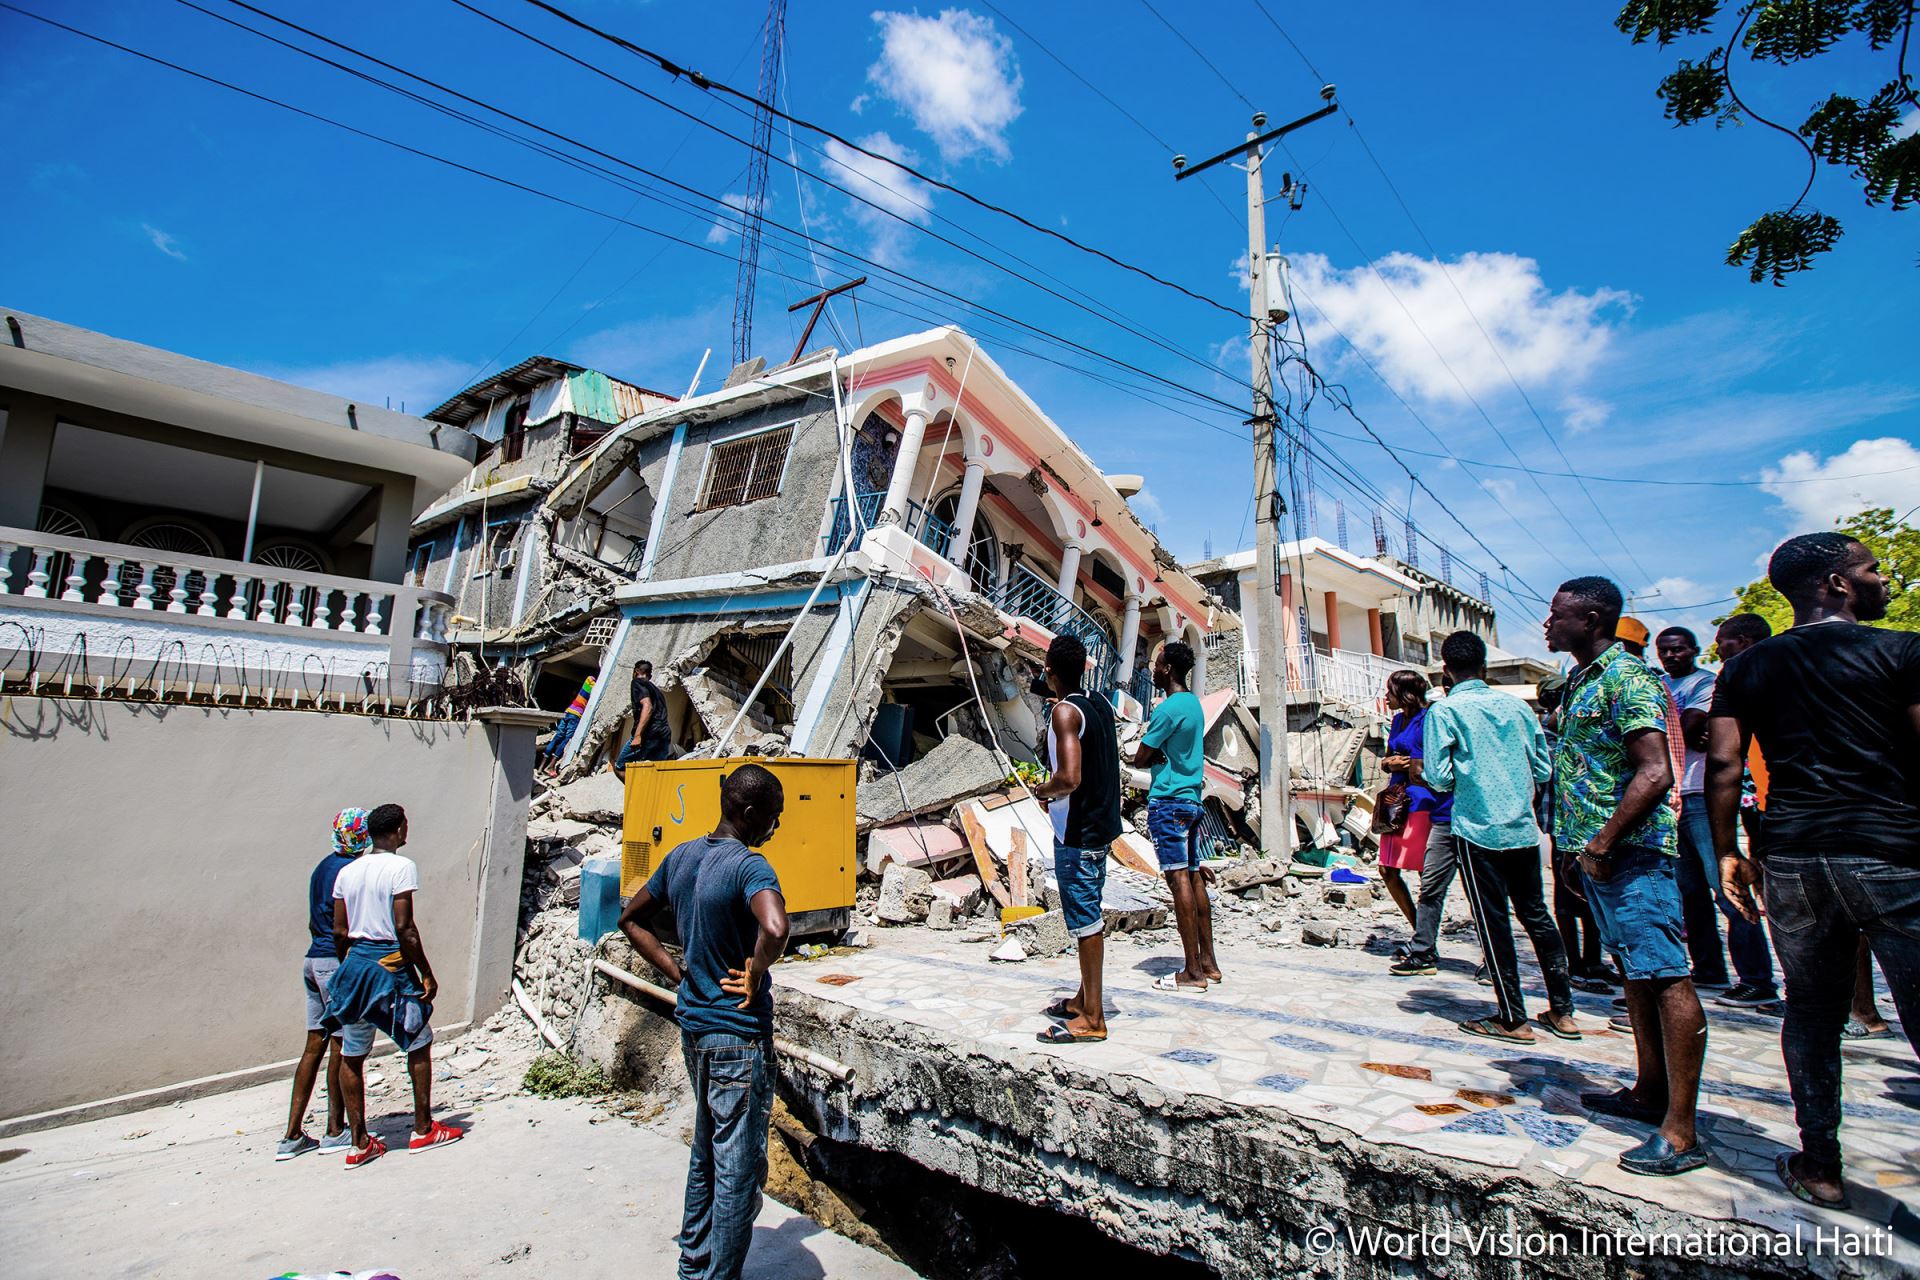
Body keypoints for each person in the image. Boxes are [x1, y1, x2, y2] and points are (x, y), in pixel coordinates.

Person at [1706, 532, 1920, 1211]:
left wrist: (1728, 851)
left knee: (1810, 1012)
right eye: (1870, 568)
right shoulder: (1902, 650)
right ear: (1835, 584)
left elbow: (1723, 767)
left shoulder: (1746, 669)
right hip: (1890, 851)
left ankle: (1821, 1164)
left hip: (1795, 856)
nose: (1881, 578)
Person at [1547, 576, 1706, 1177]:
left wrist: (1602, 841)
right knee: (1635, 973)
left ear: (1590, 620)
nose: (1547, 624)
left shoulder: (1628, 678)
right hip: (1598, 856)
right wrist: (1576, 851)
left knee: (1666, 976)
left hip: (1633, 853)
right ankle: (1647, 1089)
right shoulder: (1580, 681)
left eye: (1558, 615)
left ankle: (1682, 1131)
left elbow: (1655, 772)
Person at [618, 765, 789, 1280]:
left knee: (706, 1155)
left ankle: (693, 1267)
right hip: (737, 1037)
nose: (775, 829)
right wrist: (756, 970)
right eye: (774, 819)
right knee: (737, 1170)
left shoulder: (683, 856)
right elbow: (776, 927)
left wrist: (678, 971)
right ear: (751, 813)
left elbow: (630, 918)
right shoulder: (749, 867)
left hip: (694, 1029)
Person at [1420, 631, 1578, 1043]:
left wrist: (1468, 778)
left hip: (1476, 827)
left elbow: (1438, 776)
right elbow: (1543, 769)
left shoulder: (1445, 711)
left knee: (1493, 923)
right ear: (1485, 667)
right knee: (1537, 916)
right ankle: (1563, 1011)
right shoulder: (1517, 707)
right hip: (1522, 828)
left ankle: (1513, 1017)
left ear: (1445, 669)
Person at [323, 803, 463, 1168]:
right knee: (418, 1041)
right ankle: (422, 1128)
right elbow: (405, 928)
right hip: (390, 965)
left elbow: (339, 930)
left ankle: (359, 1143)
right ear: (400, 829)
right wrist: (426, 972)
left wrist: (350, 966)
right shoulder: (402, 867)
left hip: (355, 964)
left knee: (352, 1051)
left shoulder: (348, 872)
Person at [1033, 633, 1123, 1044]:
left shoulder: (1064, 714)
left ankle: (1092, 1018)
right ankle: (1082, 998)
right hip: (1102, 827)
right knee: (1089, 913)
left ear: (1050, 670)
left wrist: (1044, 791)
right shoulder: (1099, 704)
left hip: (1079, 833)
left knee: (1086, 923)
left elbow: (1070, 777)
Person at [1654, 626, 1746, 994]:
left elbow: (1688, 726)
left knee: (1726, 887)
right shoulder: (1662, 685)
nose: (1671, 655)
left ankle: (1755, 977)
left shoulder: (1704, 684)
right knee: (1689, 893)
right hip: (1673, 796)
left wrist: (1677, 728)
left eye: (1677, 649)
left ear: (1692, 649)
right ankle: (1709, 969)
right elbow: (1683, 732)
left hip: (1704, 796)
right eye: (1664, 650)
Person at [277, 808, 369, 1160]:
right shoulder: (348, 871)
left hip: (312, 959)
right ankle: (334, 1130)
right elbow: (342, 925)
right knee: (341, 1044)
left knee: (313, 1045)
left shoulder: (322, 866)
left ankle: (291, 1136)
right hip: (334, 960)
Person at [1131, 641, 1220, 992]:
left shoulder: (1167, 709)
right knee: (1194, 877)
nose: (1153, 668)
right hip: (1193, 800)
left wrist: (1151, 757)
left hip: (1168, 801)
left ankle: (1191, 971)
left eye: (1157, 663)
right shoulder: (1194, 706)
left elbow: (1140, 756)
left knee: (1177, 879)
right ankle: (1209, 962)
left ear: (1167, 669)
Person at [1704, 615, 1781, 1010]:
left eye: (1723, 641)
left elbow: (1723, 761)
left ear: (1745, 640)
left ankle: (1760, 980)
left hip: (1775, 807)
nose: (1718, 648)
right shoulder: (1742, 677)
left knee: (1742, 894)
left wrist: (1726, 848)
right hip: (1758, 806)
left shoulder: (1753, 676)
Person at [1376, 670, 1448, 943]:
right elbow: (1387, 759)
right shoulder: (1396, 721)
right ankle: (1421, 930)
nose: (1386, 697)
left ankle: (1425, 938)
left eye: (1390, 691)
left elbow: (1421, 769)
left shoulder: (1427, 720)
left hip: (1421, 802)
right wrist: (1390, 764)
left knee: (1424, 871)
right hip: (1395, 802)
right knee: (1387, 870)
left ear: (1405, 694)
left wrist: (1401, 764)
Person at [615, 660, 672, 775]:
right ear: (650, 675)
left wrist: (637, 735)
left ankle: (636, 792)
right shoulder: (657, 691)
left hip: (648, 734)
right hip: (664, 734)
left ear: (636, 671)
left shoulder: (637, 682)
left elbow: (648, 706)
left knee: (620, 766)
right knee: (657, 771)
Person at [540, 676, 594, 777]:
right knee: (566, 739)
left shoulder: (586, 684)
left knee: (557, 737)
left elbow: (589, 678)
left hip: (568, 711)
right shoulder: (594, 686)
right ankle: (550, 766)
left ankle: (541, 766)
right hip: (576, 715)